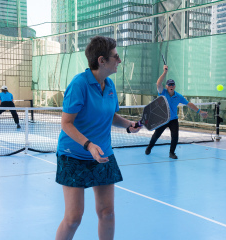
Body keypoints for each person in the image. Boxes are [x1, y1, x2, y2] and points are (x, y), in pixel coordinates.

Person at [55, 36, 141, 240]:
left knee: (107, 213)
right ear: (102, 60)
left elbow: (110, 115)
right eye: (116, 56)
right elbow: (66, 123)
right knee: (73, 218)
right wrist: (88, 145)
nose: (119, 60)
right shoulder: (79, 84)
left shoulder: (109, 85)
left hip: (103, 154)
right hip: (74, 155)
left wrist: (128, 125)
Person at [145, 65, 208, 159]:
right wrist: (164, 72)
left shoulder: (178, 96)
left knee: (175, 136)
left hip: (173, 119)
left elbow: (189, 104)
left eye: (172, 85)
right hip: (163, 118)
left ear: (174, 86)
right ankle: (149, 147)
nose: (171, 86)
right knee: (156, 135)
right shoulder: (163, 92)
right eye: (169, 85)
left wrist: (199, 111)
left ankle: (172, 153)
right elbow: (158, 84)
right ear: (166, 86)